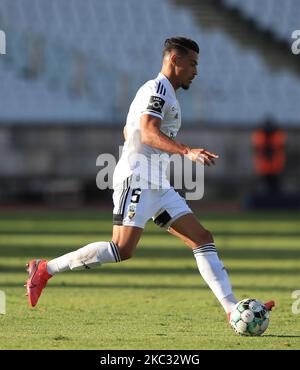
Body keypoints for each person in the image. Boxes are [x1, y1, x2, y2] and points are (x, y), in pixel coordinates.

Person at [25, 37, 274, 322]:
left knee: (202, 239)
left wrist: (142, 143)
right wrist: (186, 151)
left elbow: (130, 130)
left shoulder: (163, 92)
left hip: (156, 182)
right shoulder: (159, 89)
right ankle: (45, 269)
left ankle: (232, 310)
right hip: (138, 178)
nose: (196, 70)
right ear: (174, 60)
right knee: (121, 248)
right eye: (192, 63)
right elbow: (147, 133)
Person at [252, 119, 286, 194]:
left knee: (275, 185)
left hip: (275, 166)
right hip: (265, 167)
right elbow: (258, 147)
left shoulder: (277, 135)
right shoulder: (260, 135)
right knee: (265, 185)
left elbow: (279, 146)